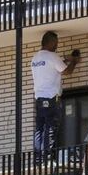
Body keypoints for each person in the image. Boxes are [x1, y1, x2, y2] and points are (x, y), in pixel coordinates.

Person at [31, 31, 80, 162]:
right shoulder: (52, 56)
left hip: (39, 98)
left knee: (39, 129)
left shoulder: (35, 58)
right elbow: (67, 71)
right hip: (51, 98)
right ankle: (47, 156)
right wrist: (74, 61)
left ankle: (38, 158)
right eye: (56, 44)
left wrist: (65, 59)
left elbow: (51, 66)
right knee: (51, 127)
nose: (56, 46)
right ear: (51, 42)